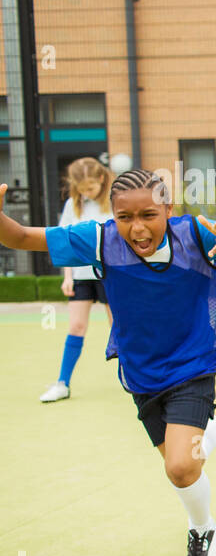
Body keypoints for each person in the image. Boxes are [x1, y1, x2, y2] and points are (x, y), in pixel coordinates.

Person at [0, 170, 216, 556]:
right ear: (112, 216)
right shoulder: (100, 240)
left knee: (181, 467)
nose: (137, 227)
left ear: (168, 209)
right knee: (187, 466)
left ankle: (203, 530)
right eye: (124, 216)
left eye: (149, 214)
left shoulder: (197, 234)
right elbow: (22, 238)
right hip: (141, 375)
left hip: (192, 365)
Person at [39, 157, 116, 403]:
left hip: (110, 274)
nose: (87, 193)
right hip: (81, 276)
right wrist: (68, 276)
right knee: (76, 327)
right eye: (82, 189)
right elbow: (65, 239)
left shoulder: (116, 201)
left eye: (91, 188)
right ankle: (63, 383)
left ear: (102, 179)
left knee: (119, 327)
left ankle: (140, 380)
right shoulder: (73, 204)